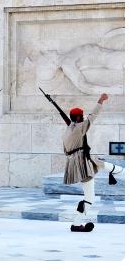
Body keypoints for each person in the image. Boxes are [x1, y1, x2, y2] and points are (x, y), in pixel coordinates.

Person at [63, 93, 123, 232]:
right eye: (81, 116)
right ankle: (76, 224)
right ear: (78, 118)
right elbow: (93, 116)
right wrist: (100, 101)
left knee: (99, 163)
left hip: (78, 163)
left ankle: (121, 172)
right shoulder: (79, 128)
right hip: (82, 165)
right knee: (89, 199)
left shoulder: (68, 130)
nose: (83, 117)